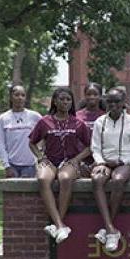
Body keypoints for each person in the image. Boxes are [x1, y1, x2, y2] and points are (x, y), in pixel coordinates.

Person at [28, 87, 91, 243]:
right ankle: (60, 225)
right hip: (50, 160)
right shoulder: (44, 121)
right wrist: (40, 157)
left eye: (68, 99)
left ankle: (57, 224)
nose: (65, 102)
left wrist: (77, 159)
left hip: (69, 161)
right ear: (55, 101)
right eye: (62, 99)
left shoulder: (78, 122)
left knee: (64, 178)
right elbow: (32, 143)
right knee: (43, 179)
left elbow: (91, 146)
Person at [90, 88, 130, 251]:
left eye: (117, 102)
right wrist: (100, 163)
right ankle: (110, 228)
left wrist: (121, 161)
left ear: (123, 103)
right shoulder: (100, 122)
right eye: (110, 102)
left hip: (126, 162)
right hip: (104, 162)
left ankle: (107, 229)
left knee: (118, 180)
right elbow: (95, 148)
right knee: (97, 179)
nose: (113, 105)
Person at [0, 84, 41, 178]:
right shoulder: (3, 118)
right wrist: (6, 166)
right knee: (13, 192)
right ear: (11, 97)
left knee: (28, 192)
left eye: (23, 95)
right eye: (16, 95)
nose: (20, 98)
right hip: (12, 165)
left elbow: (48, 133)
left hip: (30, 165)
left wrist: (40, 154)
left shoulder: (34, 116)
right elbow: (0, 144)